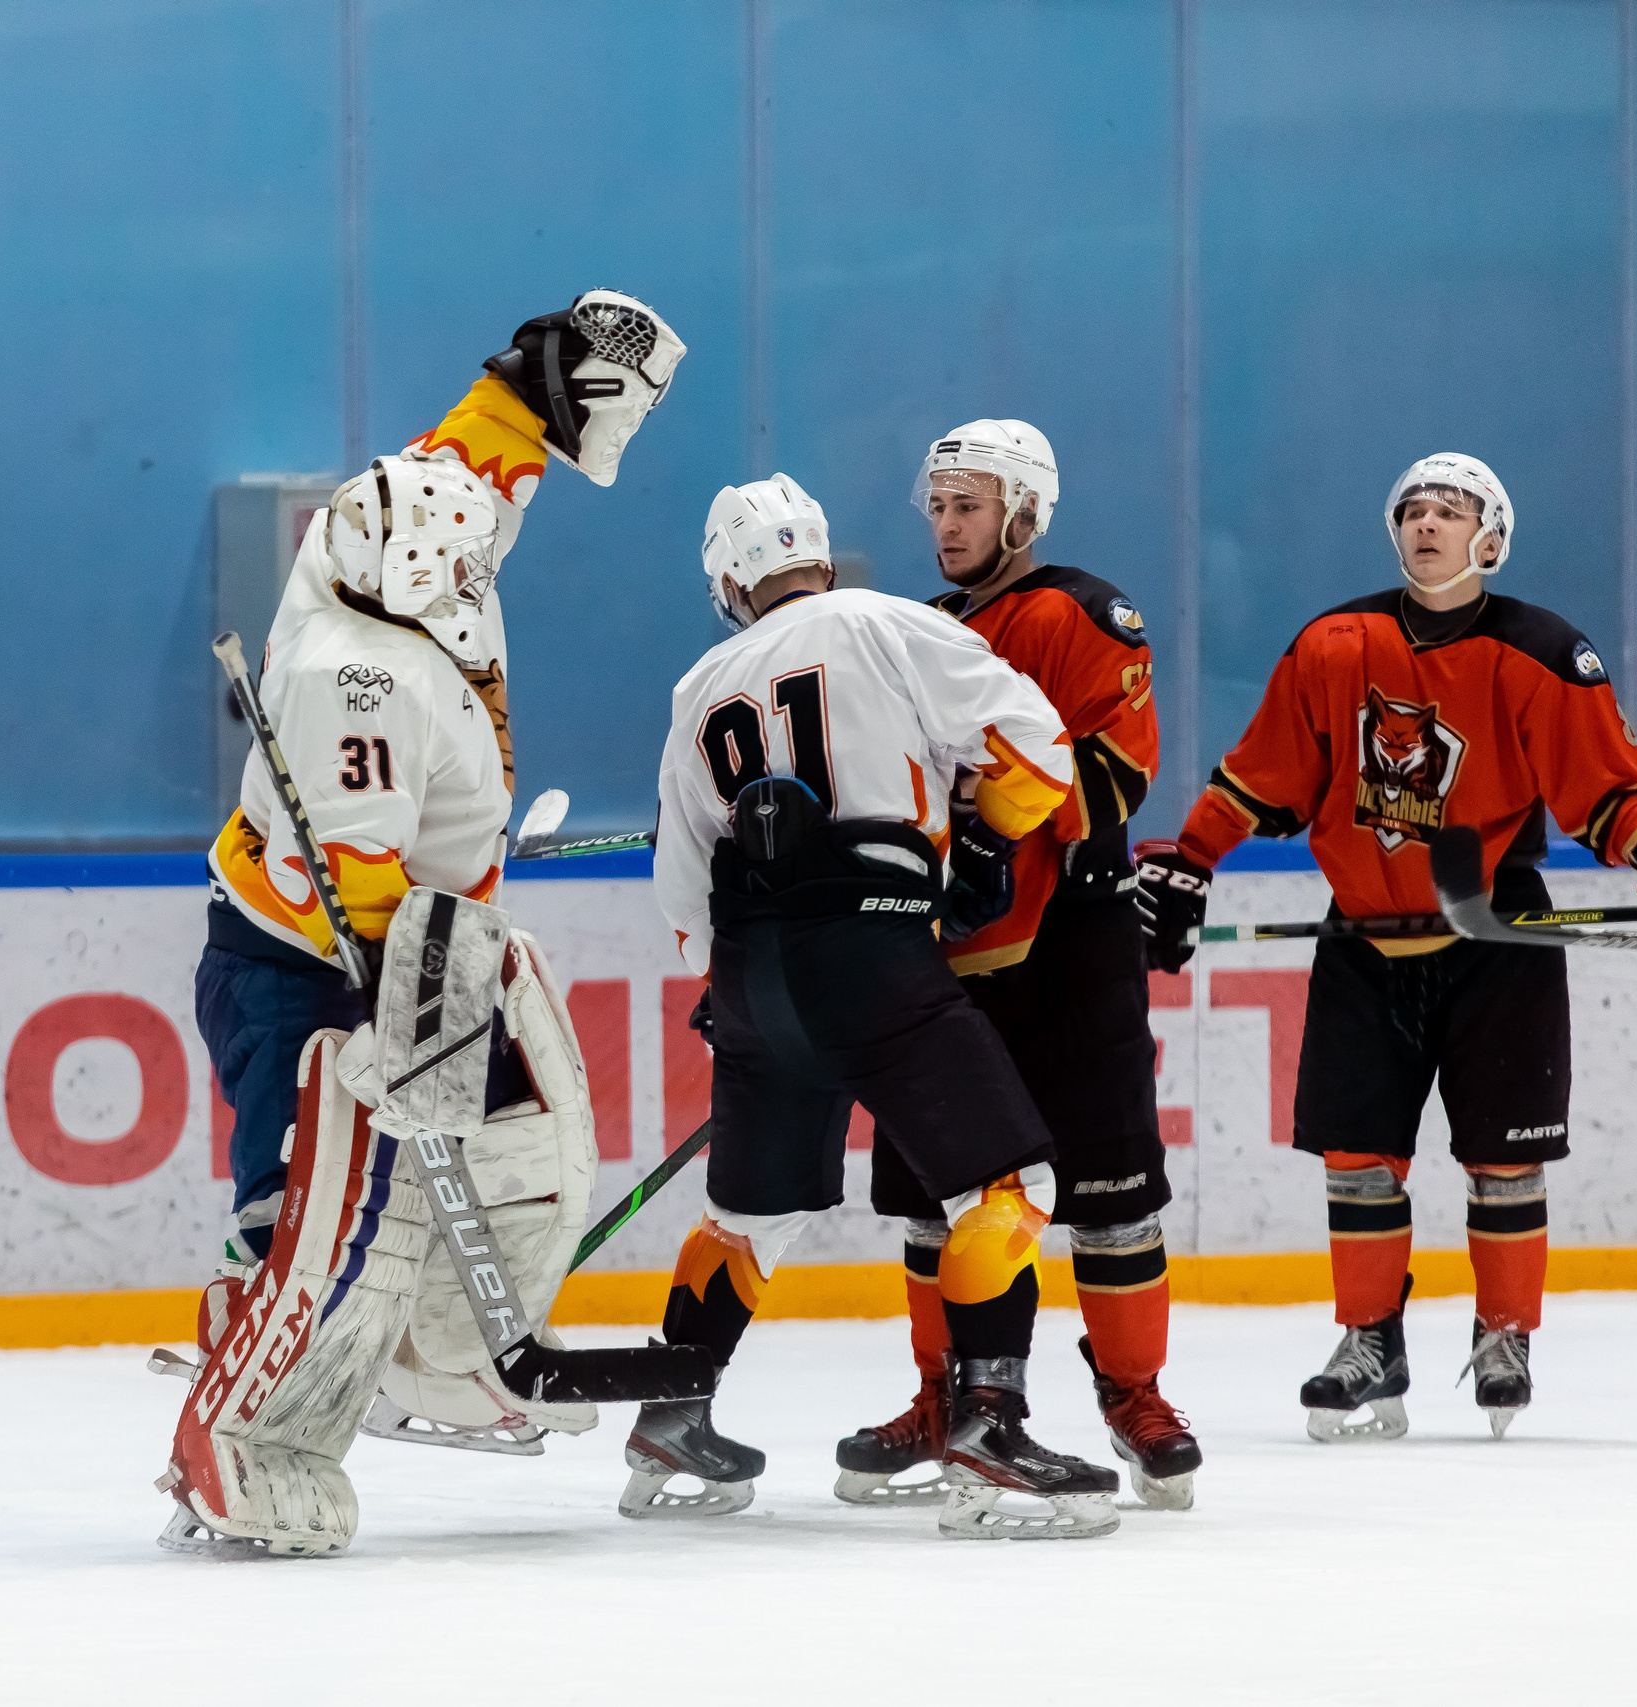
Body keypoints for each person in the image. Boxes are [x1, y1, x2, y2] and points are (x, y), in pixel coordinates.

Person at [161, 294, 686, 1555]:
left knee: (520, 1143)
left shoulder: (407, 525)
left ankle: (451, 1351)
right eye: (456, 569)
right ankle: (241, 1430)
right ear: (410, 578)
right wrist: (421, 1005)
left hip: (408, 940)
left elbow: (473, 461)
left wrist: (539, 383)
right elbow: (362, 886)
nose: (475, 571)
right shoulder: (360, 676)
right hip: (318, 967)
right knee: (305, 1212)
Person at [1137, 453, 1637, 1441]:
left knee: (1505, 1158)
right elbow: (1262, 772)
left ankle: (1504, 1334)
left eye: (1450, 511)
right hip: (1365, 935)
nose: (1426, 523)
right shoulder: (1333, 644)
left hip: (1495, 937)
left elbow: (1608, 783)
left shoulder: (1540, 652)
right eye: (1412, 510)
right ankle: (1368, 1341)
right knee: (1356, 1157)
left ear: (1492, 539)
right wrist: (1190, 858)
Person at [624, 472, 1122, 1540]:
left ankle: (671, 1415)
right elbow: (1034, 749)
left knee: (750, 1217)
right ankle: (987, 1432)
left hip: (749, 969)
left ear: (729, 579)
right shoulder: (883, 621)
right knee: (1008, 1187)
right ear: (818, 551)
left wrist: (729, 988)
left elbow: (680, 886)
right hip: (873, 947)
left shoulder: (697, 685)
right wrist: (982, 839)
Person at [839, 421, 1201, 1511]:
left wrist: (987, 821)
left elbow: (1116, 769)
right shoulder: (920, 630)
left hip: (1072, 943)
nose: (947, 526)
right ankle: (943, 1397)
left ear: (1024, 514)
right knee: (939, 1195)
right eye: (939, 506)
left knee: (1109, 1186)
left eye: (970, 506)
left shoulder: (1078, 612)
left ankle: (1134, 1394)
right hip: (945, 952)